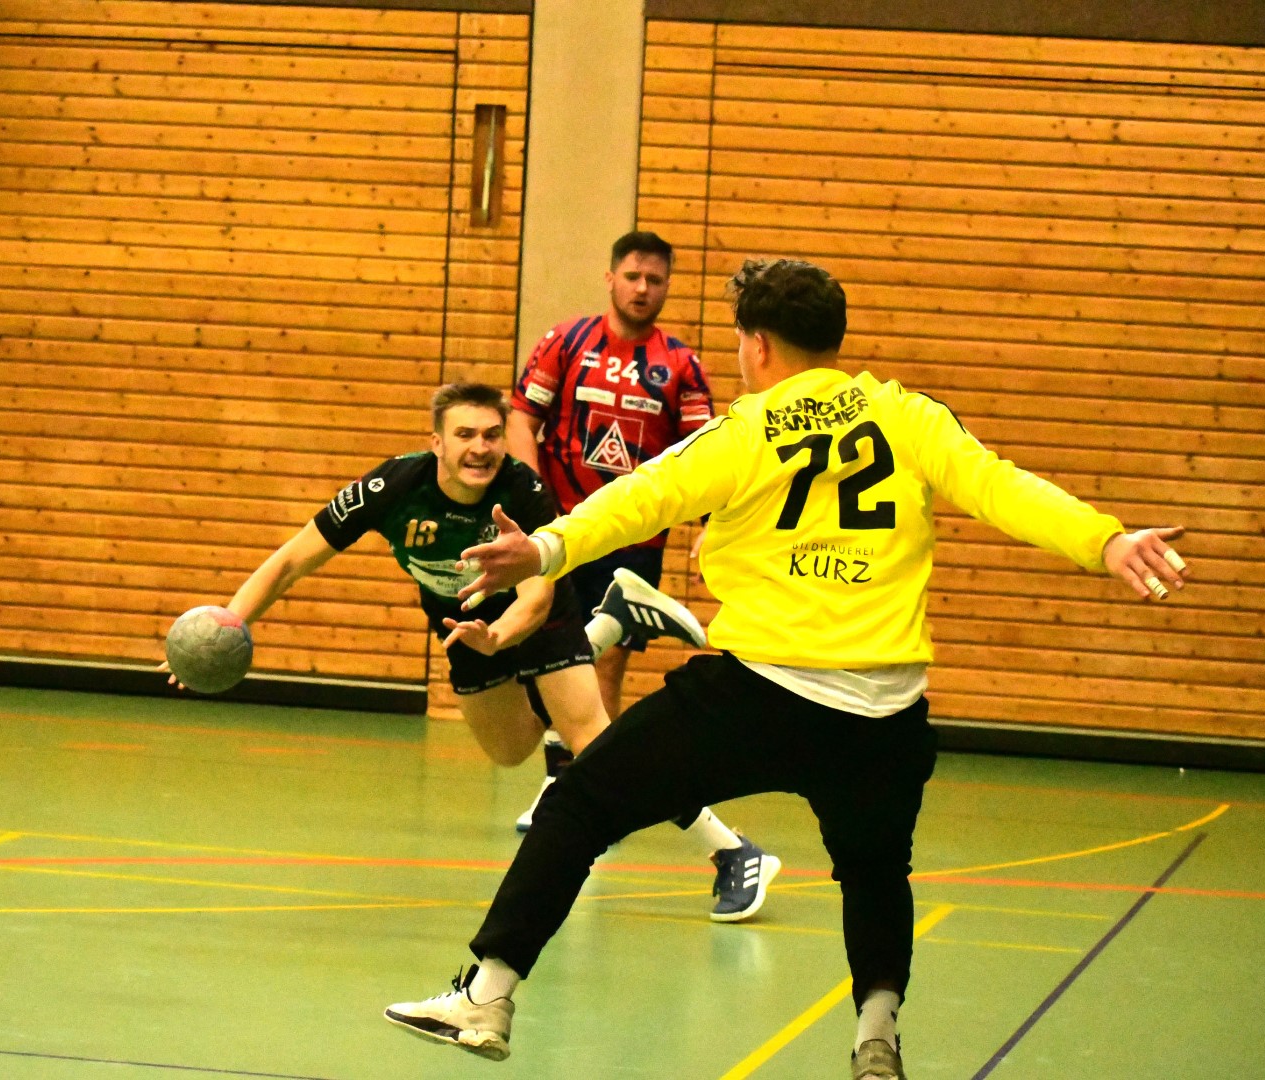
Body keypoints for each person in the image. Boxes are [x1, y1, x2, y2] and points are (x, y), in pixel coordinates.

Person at [382, 261, 1192, 1078]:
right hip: (887, 714)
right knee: (876, 873)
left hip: (760, 697)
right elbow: (1001, 487)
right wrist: (1106, 541)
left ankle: (487, 996)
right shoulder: (908, 415)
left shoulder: (745, 431)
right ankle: (877, 1038)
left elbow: (643, 496)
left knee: (581, 802)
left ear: (758, 344)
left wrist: (545, 547)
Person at [169, 381, 780, 922]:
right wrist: (227, 625)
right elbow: (291, 561)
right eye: (465, 435)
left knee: (597, 746)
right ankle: (612, 624)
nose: (480, 448)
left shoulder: (523, 492)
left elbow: (538, 598)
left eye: (491, 435)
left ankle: (733, 852)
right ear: (436, 442)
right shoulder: (390, 488)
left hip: (534, 620)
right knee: (510, 750)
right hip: (462, 625)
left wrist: (501, 637)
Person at [506, 230, 716, 829]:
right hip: (563, 532)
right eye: (632, 277)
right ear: (610, 278)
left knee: (605, 666)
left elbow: (704, 453)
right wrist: (536, 505)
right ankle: (565, 784)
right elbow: (522, 417)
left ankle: (577, 790)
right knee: (553, 657)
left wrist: (710, 524)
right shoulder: (568, 341)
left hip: (634, 541)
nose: (642, 288)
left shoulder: (681, 365)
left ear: (667, 287)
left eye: (655, 280)